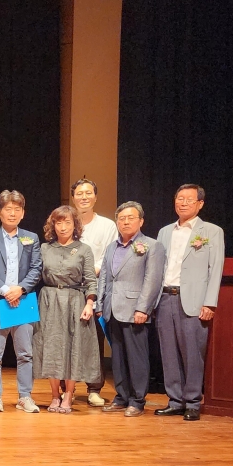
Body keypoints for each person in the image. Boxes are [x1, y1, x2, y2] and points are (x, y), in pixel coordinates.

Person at [155, 184, 225, 421]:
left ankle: (193, 402)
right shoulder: (165, 232)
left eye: (189, 199)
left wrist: (210, 303)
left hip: (194, 300)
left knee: (193, 353)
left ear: (200, 204)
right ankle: (175, 400)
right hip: (165, 297)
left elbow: (216, 268)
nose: (183, 203)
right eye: (179, 198)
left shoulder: (211, 231)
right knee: (168, 353)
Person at [95, 201, 166, 418]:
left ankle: (137, 400)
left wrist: (143, 309)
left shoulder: (152, 246)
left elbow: (152, 280)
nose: (125, 222)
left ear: (141, 221)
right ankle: (121, 396)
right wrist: (100, 303)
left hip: (135, 310)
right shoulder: (111, 247)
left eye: (130, 218)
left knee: (137, 358)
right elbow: (105, 277)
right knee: (117, 357)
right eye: (121, 218)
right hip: (112, 309)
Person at [32, 206, 100, 413]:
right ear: (52, 225)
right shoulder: (45, 248)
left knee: (73, 347)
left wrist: (89, 303)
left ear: (75, 225)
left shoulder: (84, 249)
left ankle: (69, 394)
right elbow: (34, 274)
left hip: (74, 300)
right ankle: (54, 395)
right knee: (50, 346)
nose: (63, 227)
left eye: (67, 222)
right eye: (58, 223)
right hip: (49, 300)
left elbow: (91, 279)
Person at [0, 190, 43, 413]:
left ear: (23, 213)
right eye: (8, 209)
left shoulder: (31, 237)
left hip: (23, 301)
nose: (13, 213)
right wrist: (6, 290)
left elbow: (37, 268)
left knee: (25, 354)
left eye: (17, 209)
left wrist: (20, 289)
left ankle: (25, 396)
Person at [71, 178, 118, 407]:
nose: (84, 197)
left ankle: (94, 389)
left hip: (95, 288)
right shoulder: (66, 222)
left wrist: (90, 273)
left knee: (94, 341)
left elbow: (109, 256)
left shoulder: (107, 226)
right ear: (73, 198)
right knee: (68, 339)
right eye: (79, 193)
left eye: (88, 193)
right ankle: (66, 388)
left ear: (95, 197)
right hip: (69, 289)